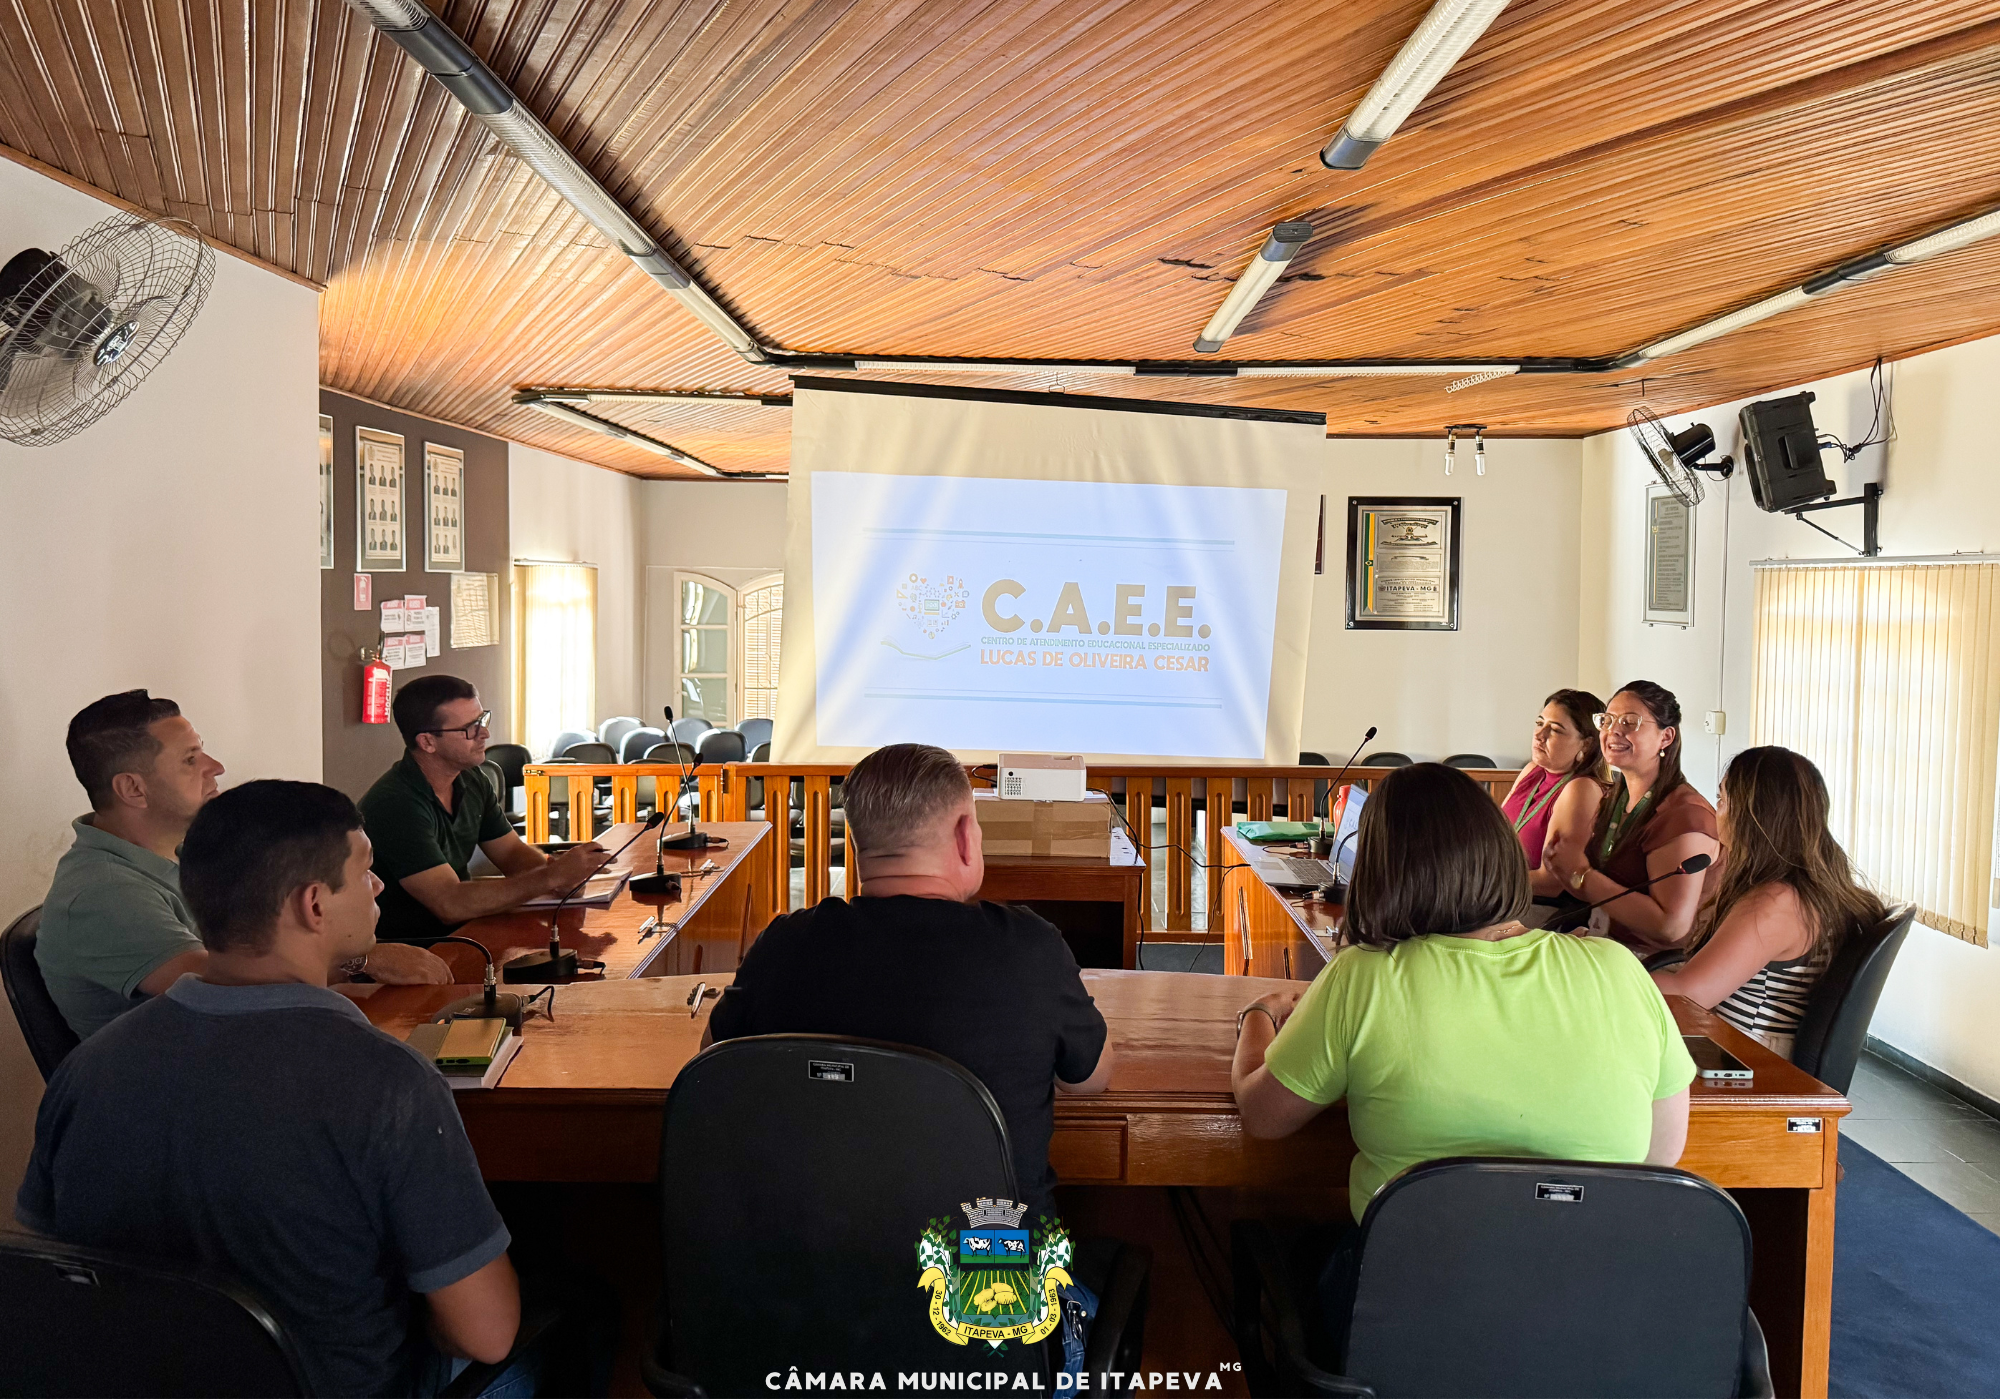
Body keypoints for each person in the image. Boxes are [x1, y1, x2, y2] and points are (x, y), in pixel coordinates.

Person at [18, 781, 522, 1396]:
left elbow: (58, 1268)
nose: (379, 885)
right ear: (313, 904)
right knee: (588, 1306)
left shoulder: (86, 1069)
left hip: (146, 1383)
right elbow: (486, 1335)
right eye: (365, 870)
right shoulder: (387, 1081)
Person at [1232, 762, 1694, 1236]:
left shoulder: (1364, 977)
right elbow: (1660, 1155)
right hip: (1591, 1294)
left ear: (1379, 871)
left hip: (1413, 1296)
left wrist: (1259, 1014)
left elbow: (1263, 1117)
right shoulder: (1618, 968)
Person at [707, 742, 1114, 1219]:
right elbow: (1090, 1080)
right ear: (966, 837)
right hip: (986, 1281)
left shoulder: (781, 948)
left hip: (810, 1279)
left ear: (858, 844)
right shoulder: (1030, 950)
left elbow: (712, 1066)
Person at [37, 690, 448, 1040]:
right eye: (190, 758)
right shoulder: (103, 891)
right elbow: (237, 987)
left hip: (250, 1048)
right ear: (132, 788)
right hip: (192, 1100)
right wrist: (363, 960)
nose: (215, 767)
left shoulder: (189, 852)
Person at [1653, 747, 1886, 1057]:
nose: (1715, 810)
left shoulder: (1776, 902)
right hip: (1735, 1047)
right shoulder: (1800, 887)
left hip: (1746, 1062)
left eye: (1721, 800)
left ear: (1754, 814)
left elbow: (1689, 993)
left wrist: (1597, 971)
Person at [360, 675, 609, 944]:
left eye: (482, 720)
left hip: (467, 931)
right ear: (427, 742)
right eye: (469, 728)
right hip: (416, 948)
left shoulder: (472, 779)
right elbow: (449, 903)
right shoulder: (395, 804)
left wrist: (563, 881)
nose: (485, 734)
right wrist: (551, 876)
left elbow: (512, 853)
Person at [1544, 680, 1721, 955]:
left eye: (1629, 722)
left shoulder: (1685, 816)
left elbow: (1671, 927)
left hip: (1655, 962)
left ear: (1666, 737)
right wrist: (1564, 869)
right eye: (1607, 721)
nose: (1613, 731)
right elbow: (1599, 887)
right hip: (1604, 941)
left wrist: (1582, 874)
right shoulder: (1616, 798)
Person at [1502, 688, 1608, 898]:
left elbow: (1552, 882)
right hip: (1498, 895)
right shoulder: (1533, 771)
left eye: (1556, 730)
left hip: (1534, 904)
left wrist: (1480, 882)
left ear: (1586, 744)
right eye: (1540, 723)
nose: (1539, 735)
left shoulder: (1581, 788)